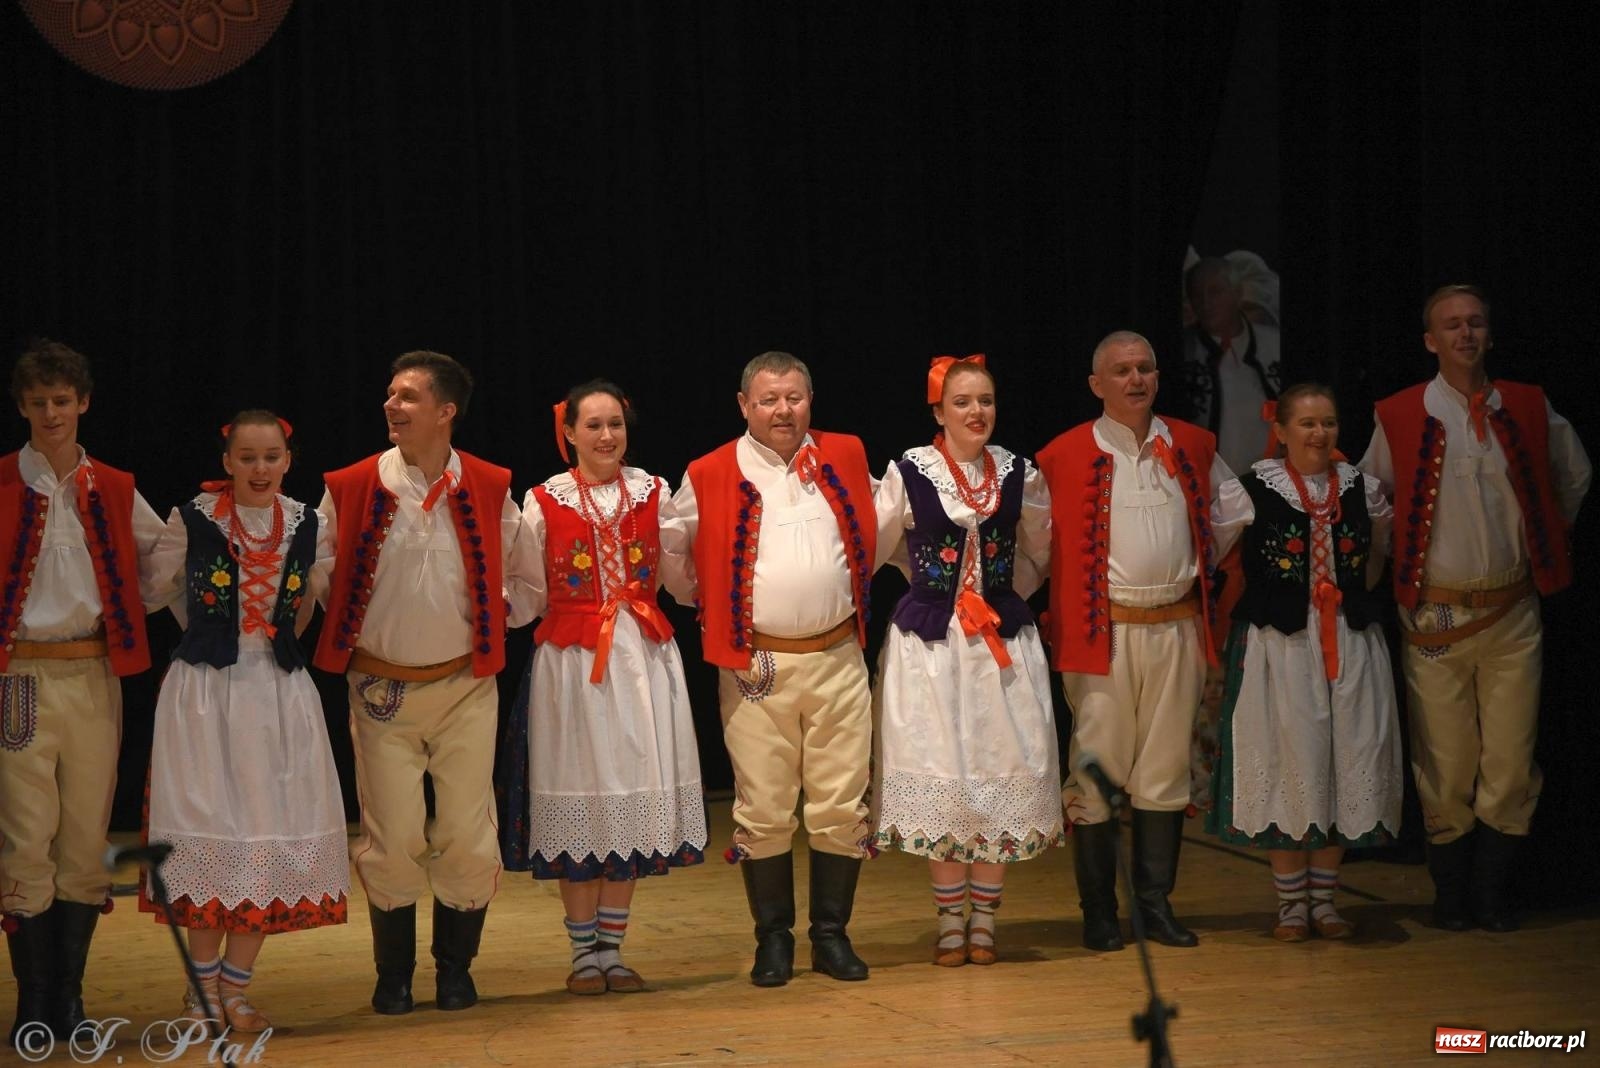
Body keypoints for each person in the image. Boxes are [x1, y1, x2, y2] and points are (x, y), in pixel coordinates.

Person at [1359, 285, 1591, 932]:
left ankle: (1489, 897)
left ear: (1488, 334)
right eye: (1451, 326)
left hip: (1513, 612)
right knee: (1446, 760)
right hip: (1434, 618)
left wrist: (1545, 541)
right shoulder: (1401, 413)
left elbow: (1572, 477)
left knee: (1512, 760)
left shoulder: (1528, 405)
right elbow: (1374, 501)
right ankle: (1452, 897)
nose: (1465, 334)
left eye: (1475, 323)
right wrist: (1396, 570)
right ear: (1431, 341)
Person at [313, 351, 536, 1014]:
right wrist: (370, 631)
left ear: (446, 412)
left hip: (466, 687)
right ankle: (394, 973)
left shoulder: (491, 486)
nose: (392, 406)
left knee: (467, 830)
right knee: (395, 831)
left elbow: (527, 578)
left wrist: (495, 619)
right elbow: (320, 568)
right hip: (382, 692)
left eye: (408, 397)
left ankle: (456, 967)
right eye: (389, 394)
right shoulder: (352, 484)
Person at [662, 351, 875, 987]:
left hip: (838, 656)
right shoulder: (707, 472)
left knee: (842, 802)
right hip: (756, 663)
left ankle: (832, 936)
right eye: (769, 400)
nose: (783, 410)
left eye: (794, 398)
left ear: (811, 400)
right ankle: (773, 939)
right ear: (744, 406)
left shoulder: (849, 454)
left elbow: (881, 534)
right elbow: (677, 561)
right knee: (764, 805)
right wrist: (725, 615)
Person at [140, 411, 349, 1030]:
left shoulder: (306, 523)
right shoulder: (193, 519)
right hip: (205, 693)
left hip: (279, 693)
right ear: (227, 461)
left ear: (289, 459)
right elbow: (156, 590)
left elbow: (312, 600)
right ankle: (201, 993)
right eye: (248, 457)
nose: (261, 468)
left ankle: (235, 990)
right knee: (207, 825)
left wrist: (270, 644)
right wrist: (210, 635)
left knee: (267, 830)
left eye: (272, 457)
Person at [1037, 330, 1234, 951]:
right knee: (1097, 769)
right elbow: (1038, 551)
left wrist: (1183, 575)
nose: (1136, 379)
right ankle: (1098, 911)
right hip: (1105, 635)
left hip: (1176, 626)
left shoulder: (1193, 444)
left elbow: (1230, 517)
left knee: (1167, 767)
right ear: (1097, 385)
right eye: (1121, 370)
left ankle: (1154, 905)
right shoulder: (1062, 455)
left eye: (1145, 367)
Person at [507, 380, 706, 996]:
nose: (605, 435)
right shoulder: (543, 501)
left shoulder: (654, 493)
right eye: (592, 425)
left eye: (615, 423)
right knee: (583, 797)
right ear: (568, 433)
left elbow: (681, 578)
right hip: (573, 664)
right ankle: (582, 954)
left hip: (642, 659)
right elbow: (527, 594)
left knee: (630, 799)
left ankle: (613, 950)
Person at [871, 355, 1061, 967]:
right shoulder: (910, 471)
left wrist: (995, 602)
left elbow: (1036, 555)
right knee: (945, 771)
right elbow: (879, 547)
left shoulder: (1018, 473)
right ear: (938, 412)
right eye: (962, 403)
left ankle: (985, 920)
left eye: (985, 400)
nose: (976, 412)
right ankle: (950, 919)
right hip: (932, 646)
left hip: (1001, 645)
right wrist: (938, 593)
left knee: (999, 769)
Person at [0, 341, 163, 1050]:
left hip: (93, 673)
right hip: (21, 682)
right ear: (23, 408)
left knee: (85, 838)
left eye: (61, 402)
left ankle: (69, 997)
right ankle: (32, 1001)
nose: (50, 414)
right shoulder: (5, 482)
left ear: (83, 403)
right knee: (23, 836)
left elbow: (162, 561)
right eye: (38, 403)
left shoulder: (116, 487)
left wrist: (124, 607)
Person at [1205, 384, 1403, 941]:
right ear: (1283, 431)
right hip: (1280, 643)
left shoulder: (1364, 490)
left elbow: (1379, 552)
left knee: (1346, 754)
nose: (1320, 434)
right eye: (1308, 424)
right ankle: (1291, 904)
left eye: (1329, 423)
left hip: (1349, 640)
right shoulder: (1250, 490)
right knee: (1289, 756)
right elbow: (1212, 552)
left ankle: (1326, 900)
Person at [1177, 257, 1284, 476]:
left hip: (1276, 483)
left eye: (1215, 292)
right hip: (1209, 486)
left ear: (1237, 293)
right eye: (1197, 295)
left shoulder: (1274, 344)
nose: (1206, 303)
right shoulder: (1182, 352)